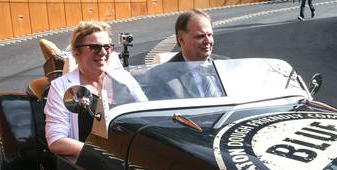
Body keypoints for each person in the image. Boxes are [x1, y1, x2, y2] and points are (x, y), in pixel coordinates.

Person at [45, 21, 146, 158]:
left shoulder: (124, 78)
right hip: (92, 165)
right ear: (76, 52)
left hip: (133, 157)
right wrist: (104, 155)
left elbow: (146, 116)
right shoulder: (60, 87)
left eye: (107, 46)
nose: (103, 52)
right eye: (94, 47)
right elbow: (56, 141)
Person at [147, 9, 225, 100]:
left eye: (210, 35)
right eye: (200, 36)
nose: (208, 41)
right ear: (181, 39)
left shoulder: (226, 65)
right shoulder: (160, 77)